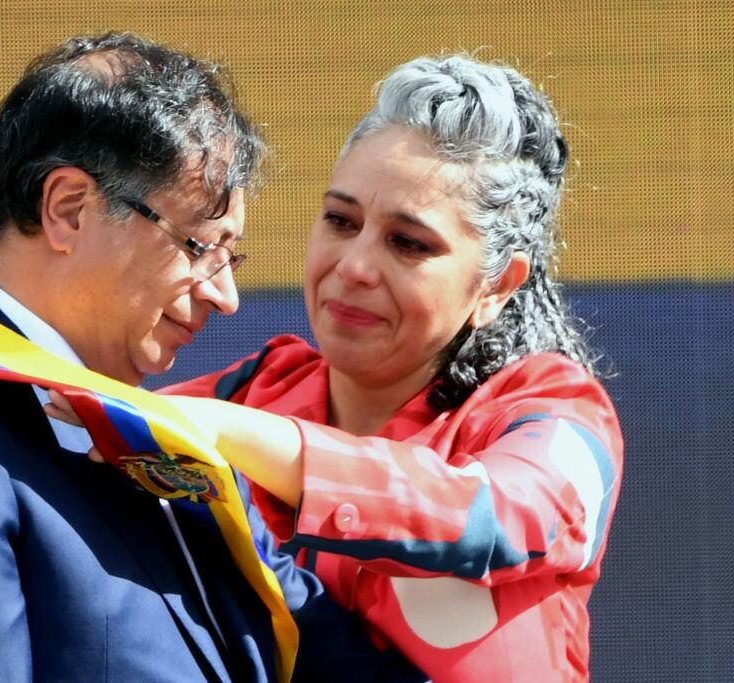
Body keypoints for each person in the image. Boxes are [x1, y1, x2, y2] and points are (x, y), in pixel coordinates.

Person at [0, 33, 423, 682]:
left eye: (231, 257)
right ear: (69, 208)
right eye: (198, 246)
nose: (226, 296)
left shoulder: (158, 433)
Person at [93, 54, 620, 682]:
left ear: (495, 287)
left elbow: (499, 519)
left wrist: (241, 437)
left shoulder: (555, 408)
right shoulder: (257, 390)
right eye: (341, 222)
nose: (354, 266)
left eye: (409, 243)